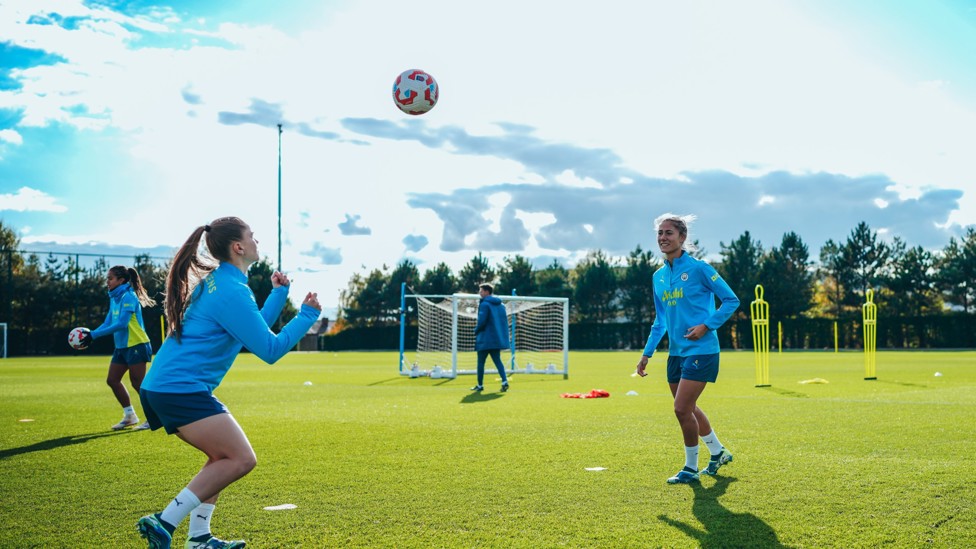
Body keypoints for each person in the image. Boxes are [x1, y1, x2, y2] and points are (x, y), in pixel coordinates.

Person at [136, 217, 321, 549]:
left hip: (169, 386)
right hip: (178, 388)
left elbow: (250, 331)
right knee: (241, 459)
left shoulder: (223, 282)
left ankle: (199, 538)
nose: (256, 241)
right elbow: (269, 349)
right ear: (238, 247)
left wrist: (279, 295)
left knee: (222, 458)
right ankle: (163, 522)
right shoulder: (232, 290)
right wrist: (306, 315)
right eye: (252, 236)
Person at [635, 213, 740, 484]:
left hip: (702, 350)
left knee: (681, 408)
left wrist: (707, 325)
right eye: (660, 233)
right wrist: (647, 353)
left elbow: (731, 300)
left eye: (669, 233)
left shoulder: (699, 269)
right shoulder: (658, 277)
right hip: (676, 353)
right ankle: (717, 452)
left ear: (682, 238)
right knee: (688, 407)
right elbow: (660, 320)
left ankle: (690, 469)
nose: (663, 238)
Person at [84, 265, 156, 431]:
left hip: (137, 344)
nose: (107, 282)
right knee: (112, 380)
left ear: (121, 280)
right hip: (122, 347)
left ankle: (154, 417)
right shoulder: (114, 297)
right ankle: (130, 415)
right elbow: (108, 322)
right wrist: (92, 334)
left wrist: (94, 336)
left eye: (110, 278)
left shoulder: (129, 296)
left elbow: (122, 324)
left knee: (138, 384)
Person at [471, 283, 510, 393]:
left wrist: (476, 330)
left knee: (480, 362)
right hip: (496, 338)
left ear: (487, 292)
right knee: (498, 361)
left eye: (481, 291)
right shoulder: (501, 305)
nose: (480, 293)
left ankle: (480, 385)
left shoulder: (484, 304)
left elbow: (482, 321)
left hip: (485, 339)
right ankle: (504, 381)